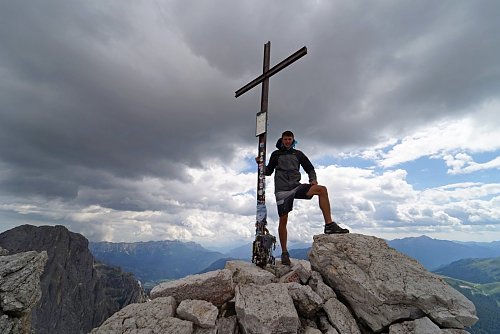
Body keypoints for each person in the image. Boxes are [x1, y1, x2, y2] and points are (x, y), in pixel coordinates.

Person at [257, 130, 348, 265]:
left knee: (321, 190)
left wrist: (313, 179)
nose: (287, 141)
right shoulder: (276, 155)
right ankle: (284, 252)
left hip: (296, 186)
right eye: (285, 139)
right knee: (283, 219)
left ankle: (329, 225)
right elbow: (268, 172)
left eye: (290, 139)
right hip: (282, 190)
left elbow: (309, 168)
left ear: (293, 140)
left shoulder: (298, 154)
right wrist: (260, 164)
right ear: (282, 140)